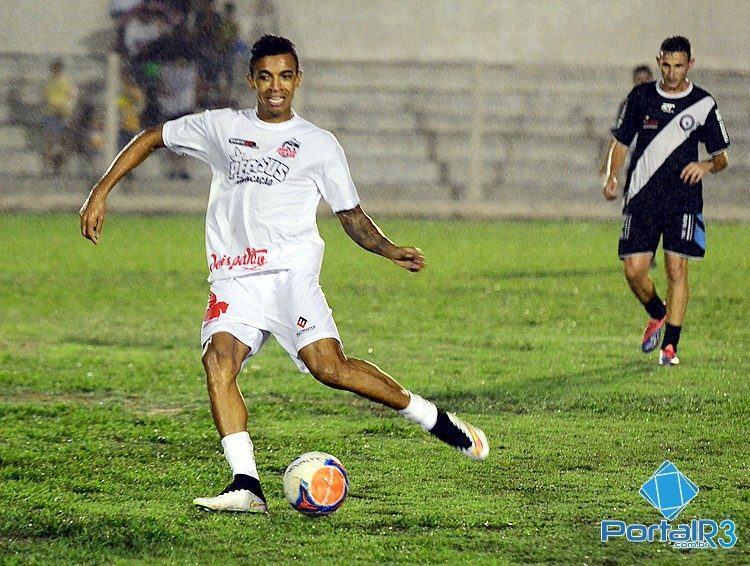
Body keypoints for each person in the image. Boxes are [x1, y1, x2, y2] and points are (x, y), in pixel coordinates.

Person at [79, 35, 489, 513]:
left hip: (290, 277)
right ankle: (246, 486)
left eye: (286, 76)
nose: (277, 87)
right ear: (252, 80)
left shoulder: (319, 144)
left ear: (297, 80)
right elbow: (151, 136)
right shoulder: (222, 127)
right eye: (267, 77)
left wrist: (389, 249)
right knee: (218, 363)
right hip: (234, 279)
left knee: (330, 369)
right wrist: (98, 194)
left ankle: (432, 418)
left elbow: (351, 215)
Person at [602, 36, 730, 366]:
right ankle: (657, 313)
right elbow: (620, 143)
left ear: (690, 65)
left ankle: (670, 346)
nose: (672, 72)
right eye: (667, 65)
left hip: (683, 201)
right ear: (659, 61)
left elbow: (721, 158)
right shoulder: (641, 97)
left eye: (679, 66)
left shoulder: (703, 103)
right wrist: (612, 176)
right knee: (634, 270)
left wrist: (704, 165)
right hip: (642, 197)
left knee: (677, 269)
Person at [598, 65, 654, 178]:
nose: (642, 83)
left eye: (645, 80)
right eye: (639, 80)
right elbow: (618, 131)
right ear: (634, 82)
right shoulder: (627, 104)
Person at [42, 58, 78, 175]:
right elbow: (45, 97)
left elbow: (73, 97)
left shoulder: (66, 82)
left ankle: (63, 166)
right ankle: (48, 166)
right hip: (51, 113)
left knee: (64, 140)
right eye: (53, 69)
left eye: (56, 69)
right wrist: (53, 105)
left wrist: (65, 107)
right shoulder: (49, 82)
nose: (54, 71)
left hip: (63, 114)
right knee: (50, 139)